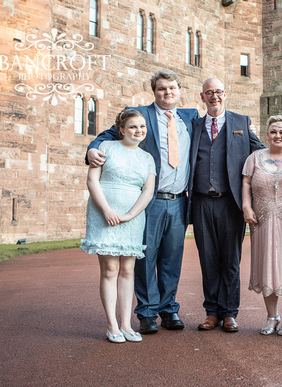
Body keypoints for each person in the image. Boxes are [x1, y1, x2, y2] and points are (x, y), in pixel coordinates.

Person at [86, 69, 199, 334]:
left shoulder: (190, 117)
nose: (167, 93)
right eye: (161, 88)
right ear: (154, 91)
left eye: (172, 88)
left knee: (172, 258)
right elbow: (109, 134)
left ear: (179, 90)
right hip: (149, 200)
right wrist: (92, 147)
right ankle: (147, 312)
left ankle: (169, 309)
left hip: (180, 200)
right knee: (145, 257)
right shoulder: (140, 114)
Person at [188, 78, 265, 333]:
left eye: (218, 92)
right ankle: (212, 312)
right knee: (208, 259)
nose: (214, 96)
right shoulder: (194, 125)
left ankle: (230, 312)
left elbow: (261, 152)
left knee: (231, 260)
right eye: (209, 92)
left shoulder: (241, 122)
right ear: (202, 97)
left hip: (231, 203)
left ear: (225, 94)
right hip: (200, 201)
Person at [81, 109, 156, 343]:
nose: (139, 131)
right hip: (105, 214)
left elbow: (148, 190)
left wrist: (131, 214)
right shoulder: (106, 148)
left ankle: (126, 324)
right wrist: (106, 210)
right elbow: (92, 180)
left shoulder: (147, 158)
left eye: (142, 127)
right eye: (133, 127)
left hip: (132, 218)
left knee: (127, 270)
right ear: (122, 130)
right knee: (110, 269)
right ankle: (111, 325)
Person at [242, 116, 282, 336]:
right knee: (265, 265)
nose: (278, 136)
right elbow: (246, 182)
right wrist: (246, 207)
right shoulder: (254, 157)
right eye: (273, 132)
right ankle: (271, 316)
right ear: (266, 134)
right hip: (262, 220)